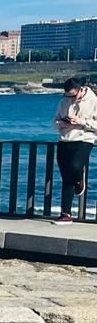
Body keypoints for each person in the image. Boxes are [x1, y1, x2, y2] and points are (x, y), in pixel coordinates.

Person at [52, 75, 96, 225]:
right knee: (66, 176)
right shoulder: (63, 102)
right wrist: (61, 123)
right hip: (65, 139)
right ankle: (66, 214)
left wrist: (81, 122)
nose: (69, 98)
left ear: (80, 90)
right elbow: (55, 121)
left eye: (72, 95)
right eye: (67, 95)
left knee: (75, 167)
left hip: (84, 139)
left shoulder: (94, 101)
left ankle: (79, 177)